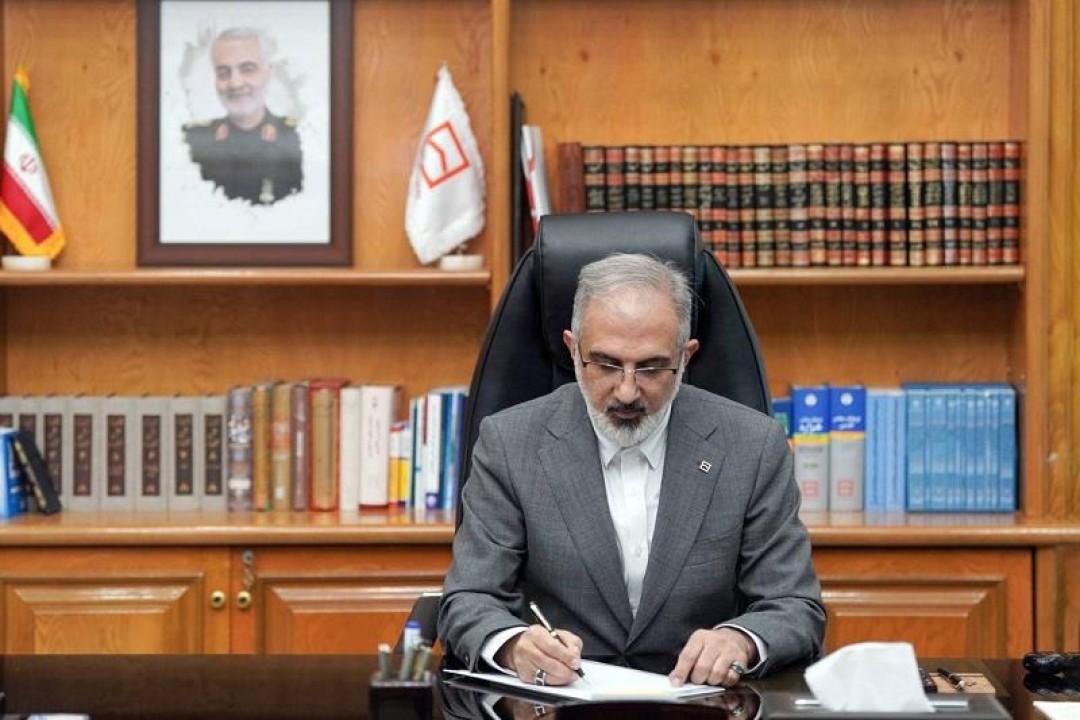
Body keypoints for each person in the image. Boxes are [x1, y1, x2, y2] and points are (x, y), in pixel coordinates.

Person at [439, 252, 825, 689]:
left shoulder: (752, 445)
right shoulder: (510, 443)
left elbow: (795, 606)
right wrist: (514, 646)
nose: (626, 391)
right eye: (606, 364)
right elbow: (469, 599)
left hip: (700, 701)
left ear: (686, 356)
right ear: (572, 349)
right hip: (560, 701)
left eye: (651, 367)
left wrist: (740, 641)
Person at [182, 27, 302, 205]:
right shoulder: (190, 142)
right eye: (223, 73)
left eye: (248, 69)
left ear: (269, 74)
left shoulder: (298, 140)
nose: (235, 83)